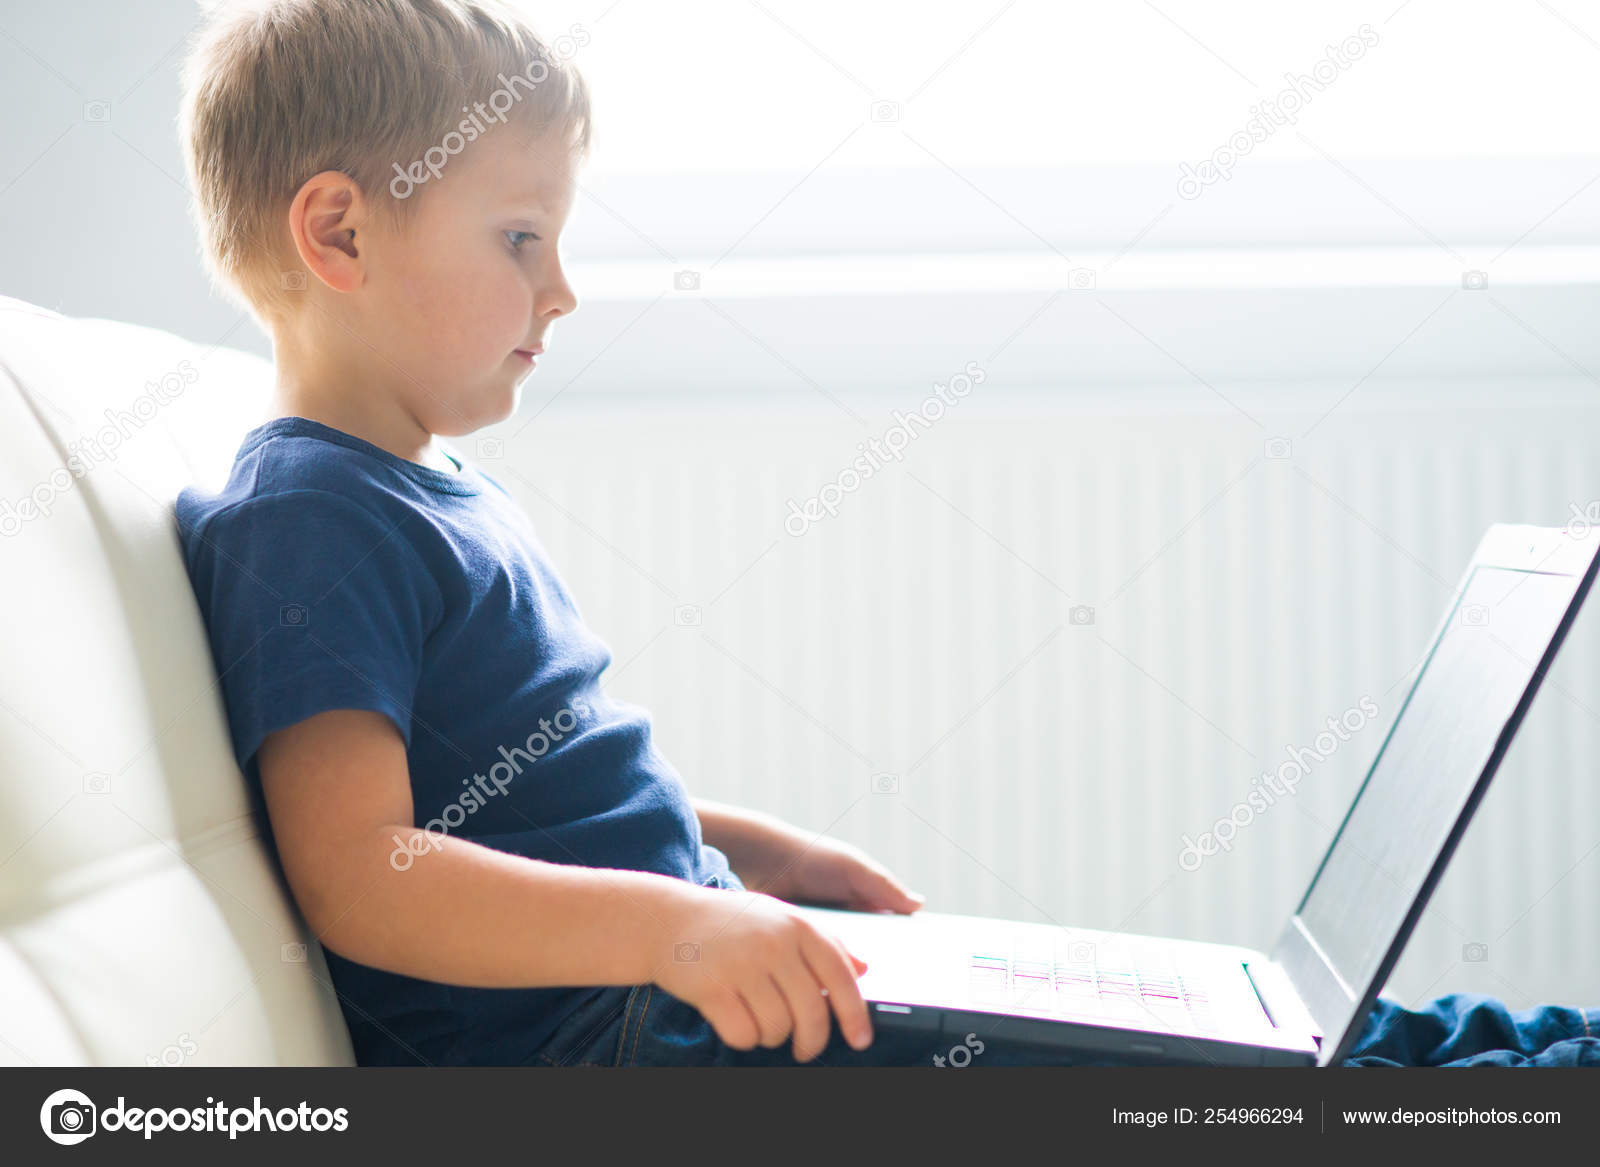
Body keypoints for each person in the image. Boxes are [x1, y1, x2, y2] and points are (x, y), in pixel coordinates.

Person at [173, 0, 1596, 1069]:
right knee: (1211, 1076)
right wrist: (677, 925)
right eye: (521, 239)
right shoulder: (308, 517)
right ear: (341, 237)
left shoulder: (423, 492)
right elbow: (366, 872)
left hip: (671, 993)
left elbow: (511, 791)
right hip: (622, 1050)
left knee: (1238, 1038)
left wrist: (741, 852)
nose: (565, 290)